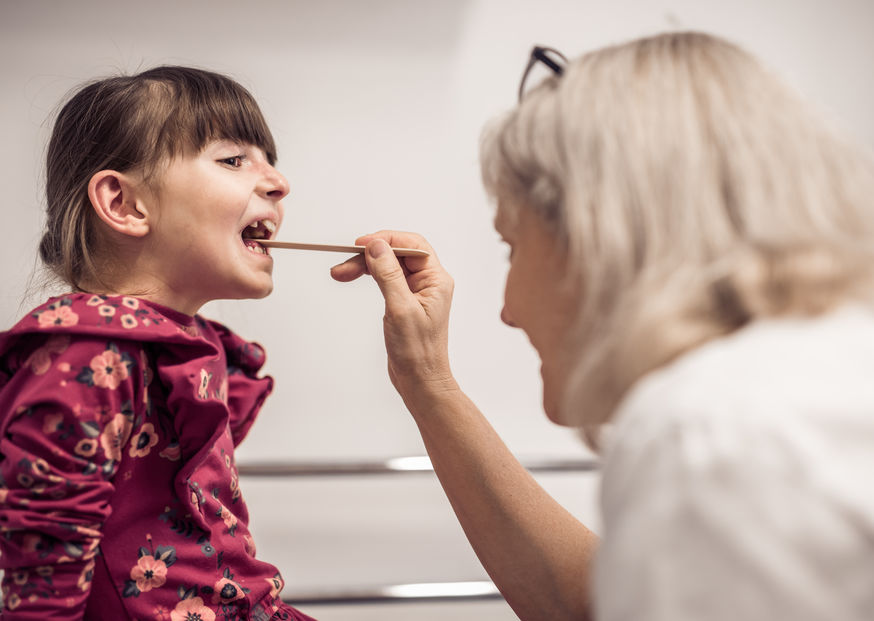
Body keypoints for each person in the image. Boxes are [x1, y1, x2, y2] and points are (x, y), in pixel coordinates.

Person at [331, 32, 874, 620]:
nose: (507, 311)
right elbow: (589, 605)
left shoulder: (712, 435)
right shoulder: (818, 379)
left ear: (595, 236)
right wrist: (426, 381)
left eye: (512, 246)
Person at [0, 66, 316, 620]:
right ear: (125, 204)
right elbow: (42, 590)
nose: (279, 182)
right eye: (233, 160)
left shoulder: (188, 348)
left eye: (269, 159)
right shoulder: (86, 356)